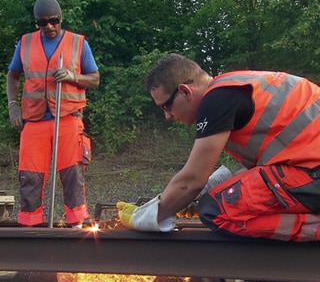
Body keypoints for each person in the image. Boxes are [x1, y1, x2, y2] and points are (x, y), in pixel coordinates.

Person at [117, 53, 320, 242]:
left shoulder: (217, 99)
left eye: (166, 106)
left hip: (312, 174)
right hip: (309, 172)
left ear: (185, 92)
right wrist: (209, 190)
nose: (167, 116)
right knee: (220, 199)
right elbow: (260, 172)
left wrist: (145, 217)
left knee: (215, 209)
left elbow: (191, 181)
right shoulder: (233, 86)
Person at [6, 0, 100, 227]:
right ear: (36, 22)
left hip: (68, 118)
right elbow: (13, 76)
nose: (48, 26)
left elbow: (95, 78)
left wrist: (72, 76)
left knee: (72, 174)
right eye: (42, 22)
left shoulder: (78, 43)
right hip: (34, 120)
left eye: (53, 21)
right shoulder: (25, 43)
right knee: (30, 175)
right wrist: (12, 105)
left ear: (61, 18)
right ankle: (31, 225)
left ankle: (76, 224)